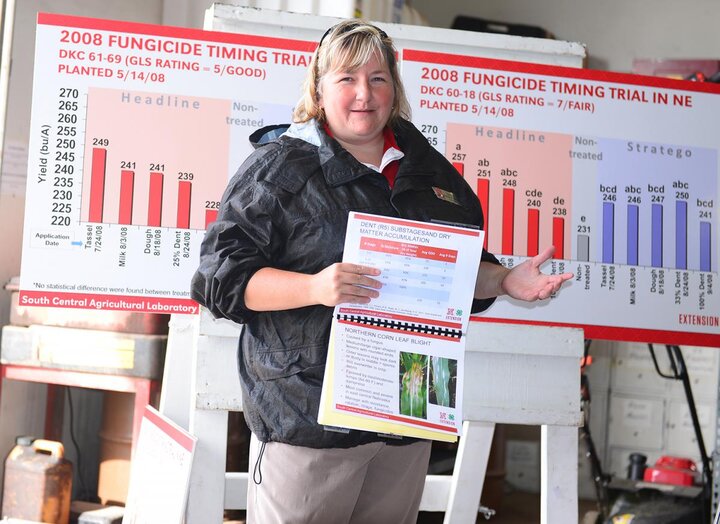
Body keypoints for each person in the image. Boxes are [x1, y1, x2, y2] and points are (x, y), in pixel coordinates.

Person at [191, 19, 572, 524]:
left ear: (394, 88)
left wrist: (502, 281)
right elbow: (221, 279)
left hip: (404, 417)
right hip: (309, 421)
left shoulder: (429, 170)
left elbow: (452, 272)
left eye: (377, 78)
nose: (363, 94)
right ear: (319, 88)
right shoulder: (279, 167)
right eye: (346, 78)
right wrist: (314, 287)